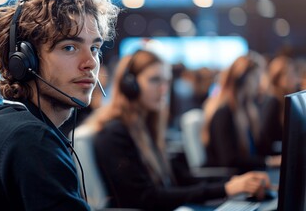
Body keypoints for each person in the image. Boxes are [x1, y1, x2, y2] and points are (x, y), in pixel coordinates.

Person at [0, 0, 120, 211]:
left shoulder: (2, 123)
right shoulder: (31, 139)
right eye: (69, 47)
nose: (90, 63)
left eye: (95, 48)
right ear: (25, 60)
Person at [80, 50, 271, 211]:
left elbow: (180, 178)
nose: (164, 89)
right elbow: (145, 198)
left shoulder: (146, 127)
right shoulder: (115, 132)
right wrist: (227, 189)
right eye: (155, 80)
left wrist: (236, 182)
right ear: (130, 86)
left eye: (167, 81)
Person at [202, 55, 281, 173]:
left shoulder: (246, 110)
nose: (259, 84)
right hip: (231, 180)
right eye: (256, 78)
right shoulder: (223, 112)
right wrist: (268, 161)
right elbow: (229, 161)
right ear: (242, 79)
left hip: (249, 173)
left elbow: (259, 149)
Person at [259, 55, 299, 156]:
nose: (295, 78)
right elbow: (265, 142)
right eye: (291, 74)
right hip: (274, 159)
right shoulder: (273, 102)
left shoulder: (285, 100)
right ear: (279, 79)